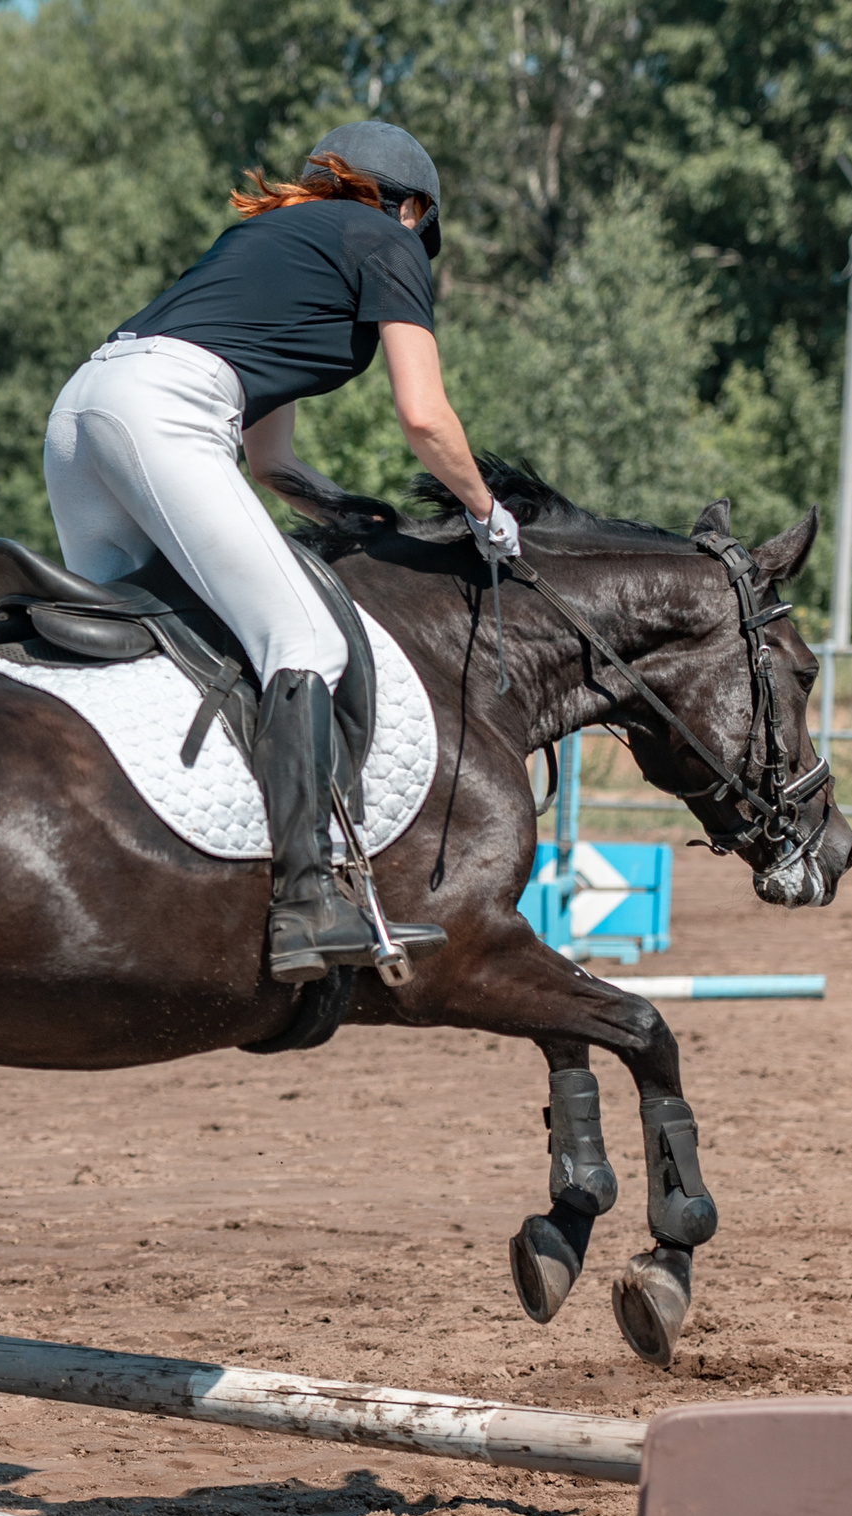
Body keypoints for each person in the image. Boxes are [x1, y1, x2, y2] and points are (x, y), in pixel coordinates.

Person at [41, 120, 520, 984]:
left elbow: (273, 464)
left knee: (147, 649)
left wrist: (351, 514)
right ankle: (306, 901)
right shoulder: (388, 238)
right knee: (307, 642)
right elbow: (424, 416)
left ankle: (136, 873)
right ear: (411, 207)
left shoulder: (269, 238)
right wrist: (485, 510)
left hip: (84, 411)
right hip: (167, 410)